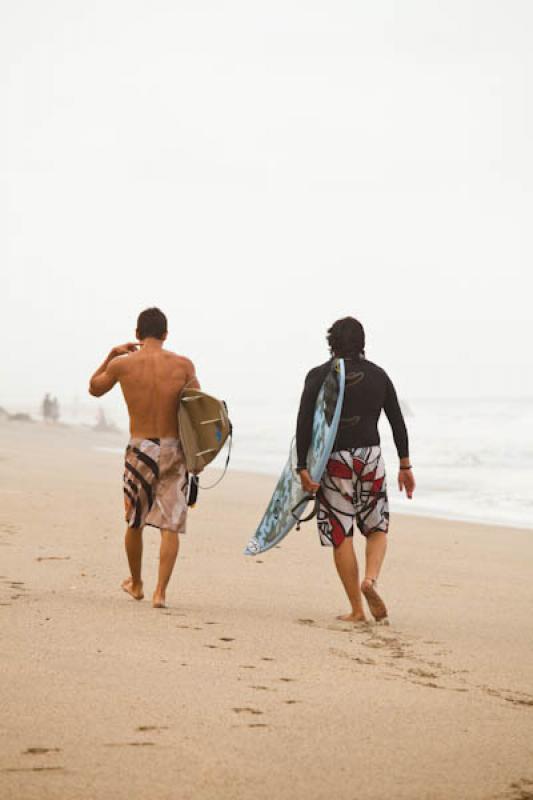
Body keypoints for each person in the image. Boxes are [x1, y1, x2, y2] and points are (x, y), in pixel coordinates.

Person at [296, 317, 415, 624]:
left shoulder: (319, 375)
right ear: (362, 343)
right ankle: (371, 581)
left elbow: (304, 423)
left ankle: (357, 610)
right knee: (377, 527)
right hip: (370, 457)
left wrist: (301, 466)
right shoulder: (379, 376)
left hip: (335, 460)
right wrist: (405, 464)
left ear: (331, 343)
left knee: (340, 532)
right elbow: (397, 421)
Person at [88, 307, 199, 608]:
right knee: (170, 524)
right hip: (174, 448)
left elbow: (94, 388)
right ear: (166, 334)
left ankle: (136, 583)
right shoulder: (184, 366)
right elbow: (199, 411)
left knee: (135, 519)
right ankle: (160, 593)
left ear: (137, 334)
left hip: (140, 449)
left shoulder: (123, 364)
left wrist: (111, 355)